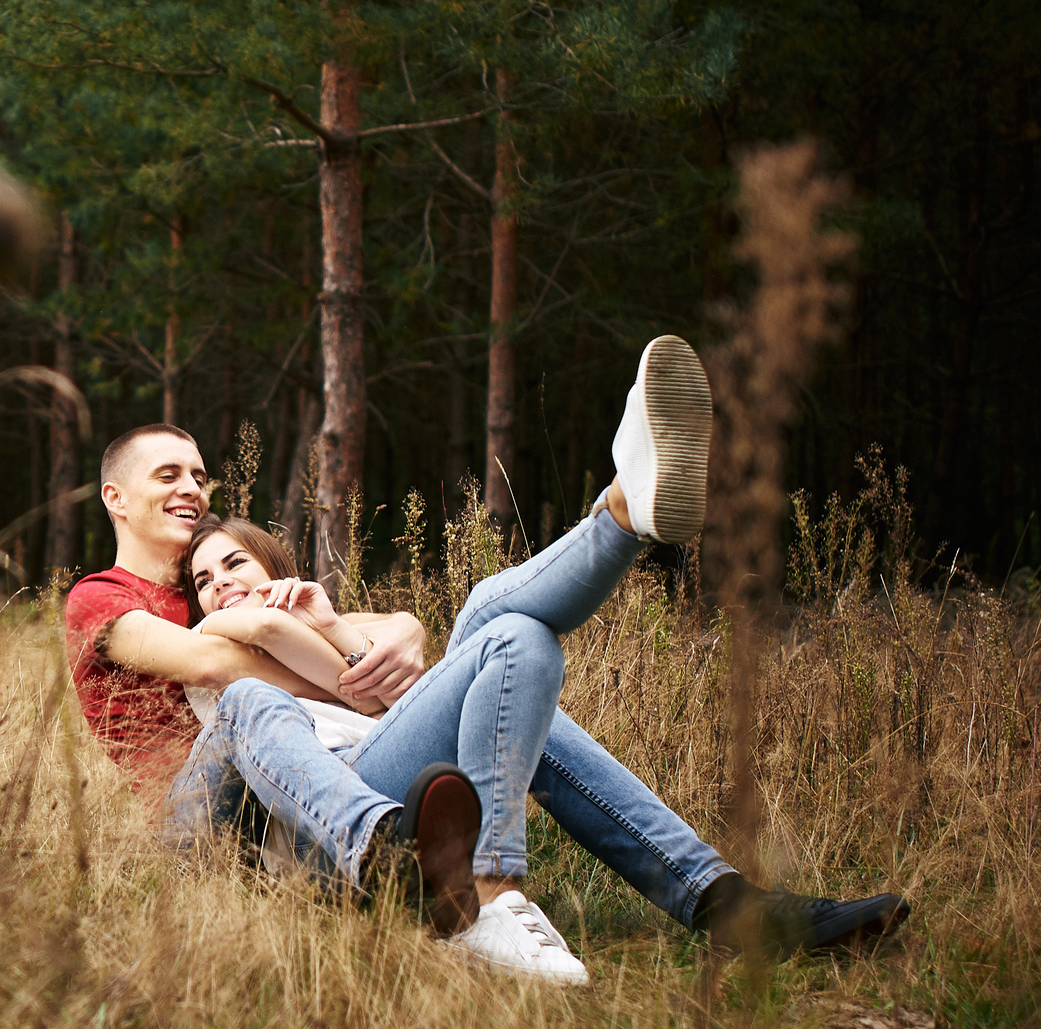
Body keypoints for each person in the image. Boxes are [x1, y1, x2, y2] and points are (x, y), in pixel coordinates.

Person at [62, 335, 911, 984]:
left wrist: (396, 631)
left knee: (509, 636)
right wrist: (360, 659)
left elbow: (317, 618)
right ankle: (408, 862)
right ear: (115, 497)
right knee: (260, 700)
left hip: (338, 785)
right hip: (212, 830)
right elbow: (219, 665)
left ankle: (625, 515)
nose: (195, 488)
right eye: (169, 472)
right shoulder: (104, 598)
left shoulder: (228, 588)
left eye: (201, 474)